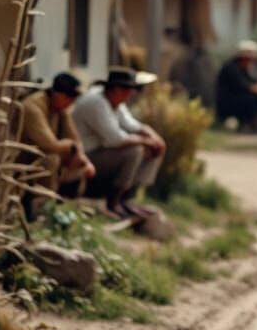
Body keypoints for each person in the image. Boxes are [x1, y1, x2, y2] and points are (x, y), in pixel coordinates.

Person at [73, 67, 165, 218]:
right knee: (134, 151)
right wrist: (145, 141)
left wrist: (151, 136)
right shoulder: (96, 103)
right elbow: (115, 139)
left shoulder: (113, 100)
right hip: (86, 157)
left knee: (152, 147)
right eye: (126, 89)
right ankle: (114, 202)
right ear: (115, 89)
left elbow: (131, 124)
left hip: (100, 153)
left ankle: (129, 198)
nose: (130, 94)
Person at [19, 72, 95, 203]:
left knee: (79, 161)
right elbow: (50, 145)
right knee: (52, 159)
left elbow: (74, 137)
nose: (72, 103)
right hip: (23, 158)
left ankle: (65, 201)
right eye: (69, 98)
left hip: (45, 155)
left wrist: (82, 158)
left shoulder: (61, 107)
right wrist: (72, 146)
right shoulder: (33, 106)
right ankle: (39, 204)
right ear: (57, 94)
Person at [215, 40, 257, 131]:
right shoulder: (230, 67)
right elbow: (243, 85)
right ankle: (246, 125)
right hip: (227, 102)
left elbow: (253, 81)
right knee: (254, 98)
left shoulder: (244, 68)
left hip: (239, 98)